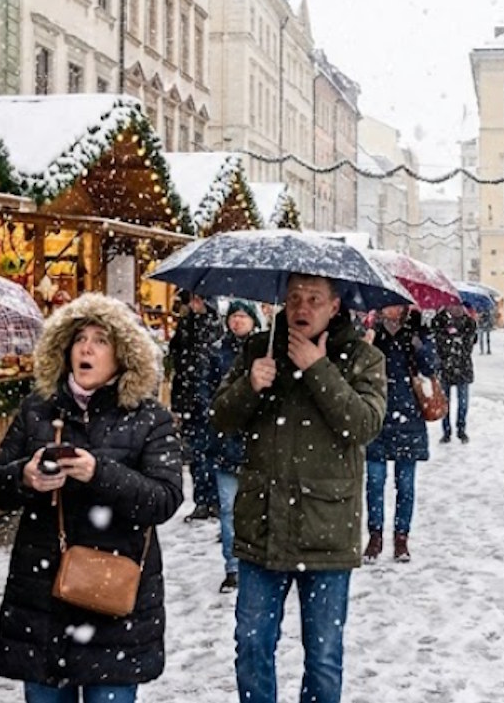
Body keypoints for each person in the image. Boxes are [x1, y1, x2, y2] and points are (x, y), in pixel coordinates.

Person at [0, 293, 181, 703]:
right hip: (41, 598)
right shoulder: (38, 409)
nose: (86, 348)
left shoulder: (150, 418)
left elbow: (164, 499)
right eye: (79, 339)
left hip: (114, 597)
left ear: (123, 354)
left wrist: (99, 473)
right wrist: (25, 477)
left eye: (101, 340)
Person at [211, 274, 387, 703]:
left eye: (314, 299)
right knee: (252, 647)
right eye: (294, 299)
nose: (302, 308)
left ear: (335, 305)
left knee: (323, 656)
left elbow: (362, 425)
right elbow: (220, 418)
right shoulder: (259, 348)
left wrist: (319, 369)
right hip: (262, 527)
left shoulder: (363, 357)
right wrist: (248, 385)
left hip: (326, 530)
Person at [365, 305, 439, 564]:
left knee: (405, 485)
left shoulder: (418, 331)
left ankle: (401, 538)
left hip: (409, 416)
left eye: (396, 304)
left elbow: (431, 367)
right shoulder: (372, 332)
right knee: (374, 482)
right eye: (387, 304)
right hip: (377, 414)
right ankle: (375, 536)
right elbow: (357, 368)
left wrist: (420, 342)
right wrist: (367, 343)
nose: (391, 309)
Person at [204, 300, 259, 593]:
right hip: (226, 440)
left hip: (256, 444)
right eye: (234, 316)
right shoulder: (217, 352)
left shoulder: (266, 351)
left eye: (243, 316)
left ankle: (256, 562)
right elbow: (211, 396)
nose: (237, 322)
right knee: (228, 509)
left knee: (257, 508)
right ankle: (233, 566)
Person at [167, 290, 222, 521]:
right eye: (193, 299)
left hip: (209, 398)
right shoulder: (185, 327)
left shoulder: (215, 327)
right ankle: (202, 499)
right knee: (196, 453)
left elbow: (211, 365)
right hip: (191, 399)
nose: (195, 303)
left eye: (200, 299)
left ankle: (215, 500)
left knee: (212, 452)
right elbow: (178, 363)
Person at [431, 302, 477, 444]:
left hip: (463, 368)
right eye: (453, 305)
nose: (456, 309)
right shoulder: (439, 320)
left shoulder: (469, 322)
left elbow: (470, 343)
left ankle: (461, 429)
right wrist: (450, 339)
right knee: (445, 403)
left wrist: (456, 338)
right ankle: (446, 431)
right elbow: (437, 342)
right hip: (445, 368)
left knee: (463, 402)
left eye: (459, 306)